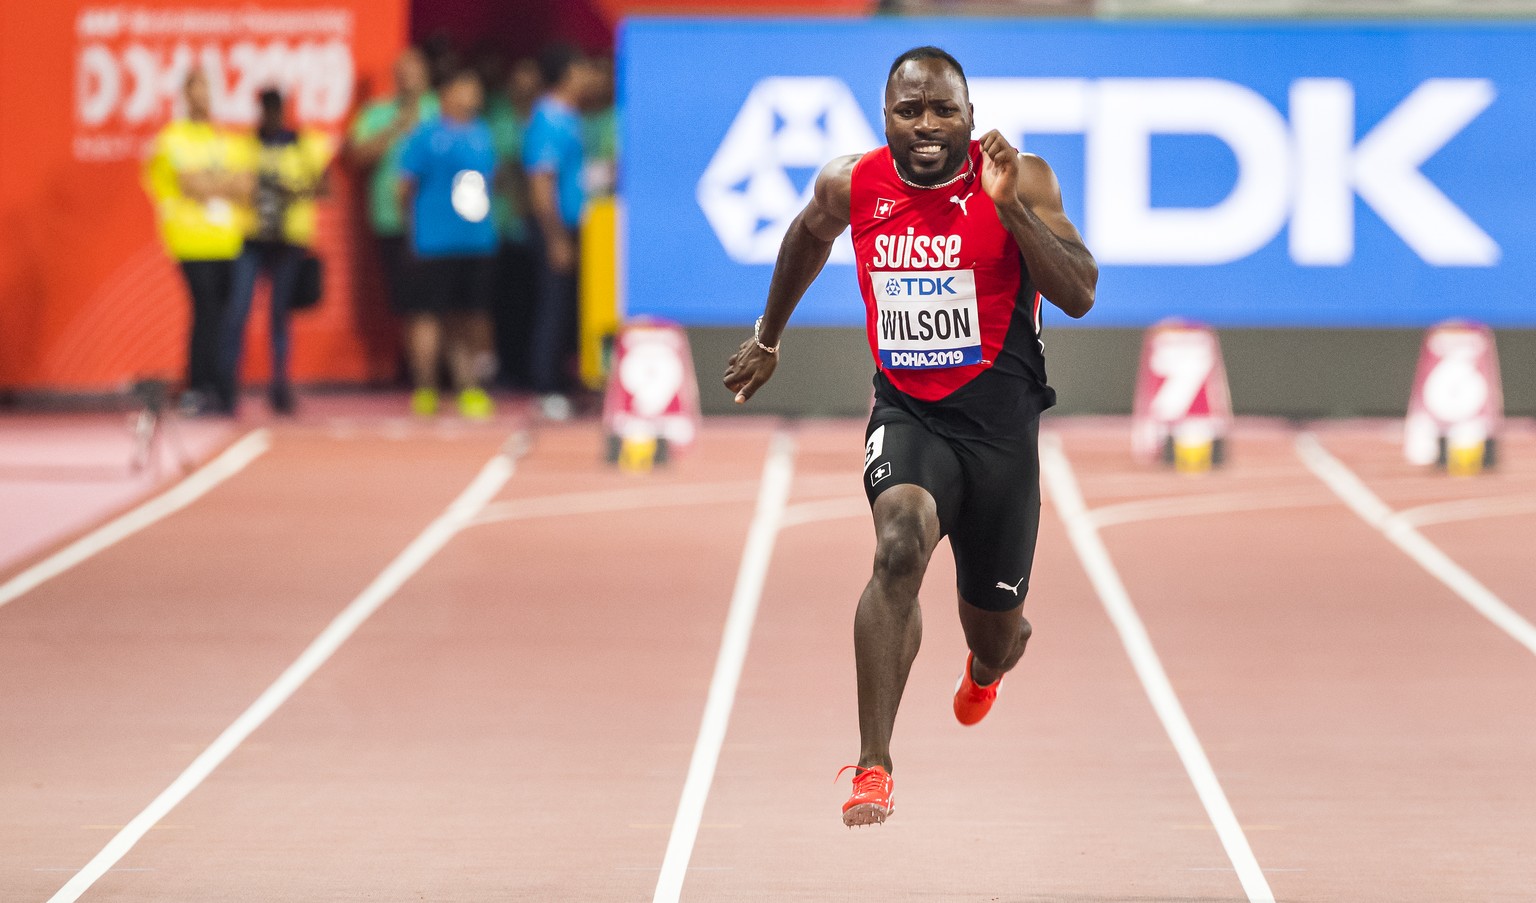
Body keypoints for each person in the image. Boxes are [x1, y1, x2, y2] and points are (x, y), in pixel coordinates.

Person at [722, 46, 1097, 827]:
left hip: (1001, 437)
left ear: (970, 114)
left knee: (994, 633)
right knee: (898, 545)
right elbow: (805, 234)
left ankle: (988, 666)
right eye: (908, 111)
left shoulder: (1020, 177)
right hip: (910, 414)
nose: (926, 127)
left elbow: (1082, 292)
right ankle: (873, 765)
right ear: (884, 116)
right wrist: (769, 335)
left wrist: (1011, 211)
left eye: (943, 110)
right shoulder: (852, 183)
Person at [143, 69, 253, 415]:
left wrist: (213, 182)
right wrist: (220, 182)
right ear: (184, 95)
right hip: (189, 240)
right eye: (195, 88)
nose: (202, 95)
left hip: (228, 240)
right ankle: (199, 386)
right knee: (205, 311)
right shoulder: (173, 138)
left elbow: (246, 184)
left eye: (207, 87)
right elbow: (191, 185)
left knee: (227, 316)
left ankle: (224, 387)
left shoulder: (226, 138)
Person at [218, 88, 334, 415]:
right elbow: (232, 185)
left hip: (289, 239)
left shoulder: (303, 144)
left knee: (279, 315)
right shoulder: (245, 145)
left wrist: (293, 188)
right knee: (237, 312)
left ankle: (280, 386)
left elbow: (326, 187)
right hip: (252, 238)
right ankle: (227, 387)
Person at [397, 69, 499, 420]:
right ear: (447, 93)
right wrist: (415, 231)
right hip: (433, 243)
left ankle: (468, 388)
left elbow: (491, 183)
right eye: (466, 86)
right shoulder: (426, 136)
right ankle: (425, 389)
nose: (474, 94)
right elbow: (404, 188)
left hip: (475, 242)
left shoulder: (483, 133)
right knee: (427, 316)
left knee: (467, 317)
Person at [347, 47, 439, 356]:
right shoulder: (378, 113)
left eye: (414, 71)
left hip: (439, 224)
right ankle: (416, 370)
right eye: (402, 72)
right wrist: (396, 127)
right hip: (392, 220)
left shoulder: (441, 111)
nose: (408, 79)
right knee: (409, 303)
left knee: (439, 303)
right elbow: (357, 157)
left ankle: (446, 373)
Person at [523, 44, 597, 421]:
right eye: (583, 67)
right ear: (568, 73)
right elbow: (541, 183)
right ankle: (545, 386)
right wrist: (555, 237)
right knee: (553, 305)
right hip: (556, 226)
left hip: (577, 224)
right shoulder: (548, 119)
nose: (589, 75)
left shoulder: (570, 116)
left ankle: (565, 381)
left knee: (569, 306)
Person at [485, 57, 543, 390]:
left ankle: (530, 370)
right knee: (506, 303)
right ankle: (507, 368)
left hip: (536, 225)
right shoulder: (501, 122)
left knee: (535, 301)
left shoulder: (542, 121)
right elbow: (498, 171)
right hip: (504, 226)